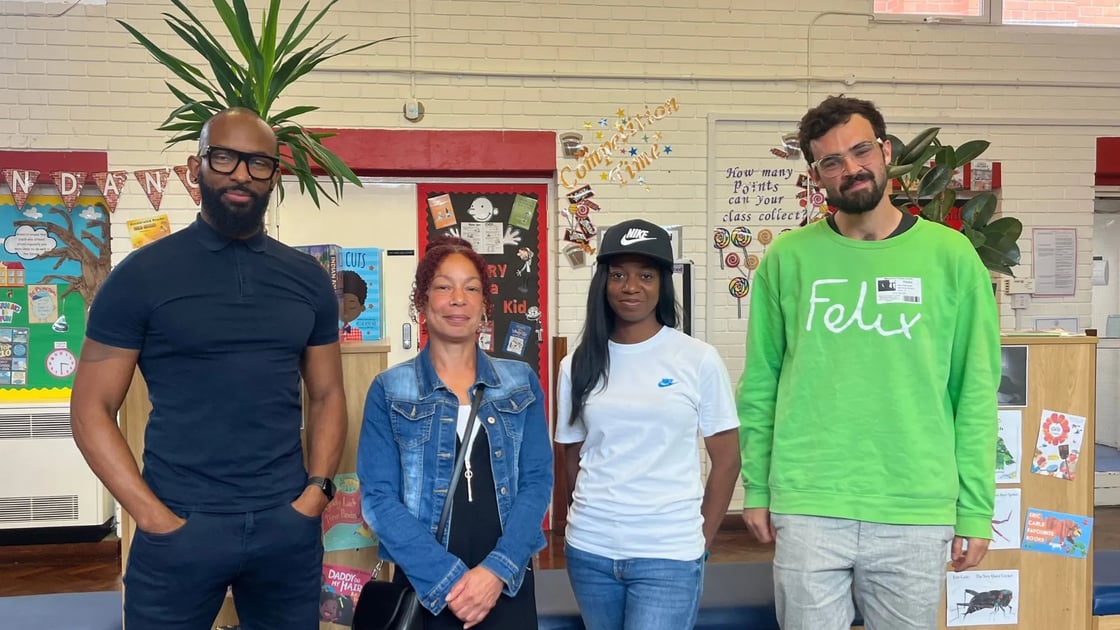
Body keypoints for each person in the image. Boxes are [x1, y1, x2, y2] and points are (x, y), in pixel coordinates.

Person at [70, 107, 348, 630]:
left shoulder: (307, 280)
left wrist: (316, 493)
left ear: (275, 177)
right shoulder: (141, 277)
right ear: (197, 165)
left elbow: (328, 394)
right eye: (225, 158)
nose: (241, 173)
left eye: (258, 163)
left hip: (285, 526)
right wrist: (151, 517)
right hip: (178, 525)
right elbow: (90, 408)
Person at [738, 95, 1001, 630]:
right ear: (817, 175)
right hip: (810, 502)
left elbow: (974, 391)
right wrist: (758, 488)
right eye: (832, 161)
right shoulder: (787, 259)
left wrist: (975, 508)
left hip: (915, 505)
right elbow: (760, 382)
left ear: (885, 152)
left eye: (861, 151)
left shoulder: (952, 258)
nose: (850, 168)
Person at [358, 236, 552, 630]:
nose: (458, 299)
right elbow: (378, 498)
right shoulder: (389, 390)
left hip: (508, 581)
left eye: (471, 288)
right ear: (422, 302)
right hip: (425, 586)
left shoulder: (520, 383)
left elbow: (537, 483)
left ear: (484, 306)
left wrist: (496, 571)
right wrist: (449, 580)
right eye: (444, 286)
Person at [555, 219, 741, 630]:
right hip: (590, 552)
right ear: (603, 282)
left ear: (662, 283)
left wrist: (701, 540)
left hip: (669, 554)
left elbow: (727, 461)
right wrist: (584, 523)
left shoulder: (697, 359)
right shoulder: (577, 364)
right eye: (618, 274)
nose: (630, 286)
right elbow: (571, 455)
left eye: (645, 275)